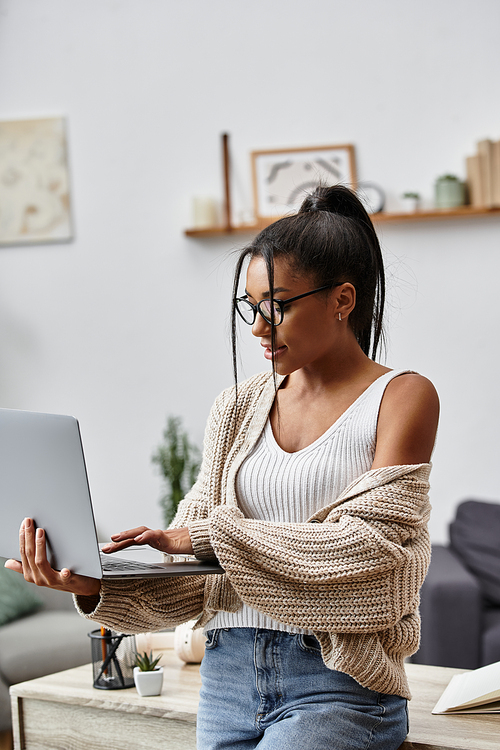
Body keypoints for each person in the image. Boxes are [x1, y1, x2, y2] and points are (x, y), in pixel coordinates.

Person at [6, 185, 439, 750]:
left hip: (337, 687)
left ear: (343, 300)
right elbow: (199, 578)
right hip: (226, 678)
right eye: (250, 306)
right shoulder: (235, 409)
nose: (258, 327)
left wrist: (208, 538)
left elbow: (375, 565)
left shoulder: (401, 398)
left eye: (277, 305)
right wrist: (94, 585)